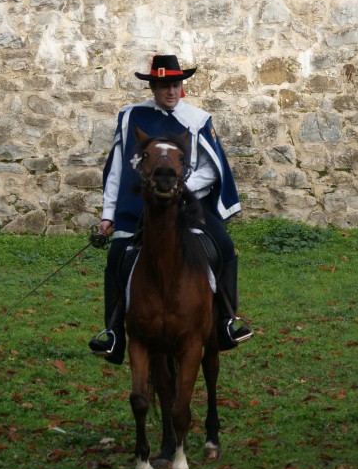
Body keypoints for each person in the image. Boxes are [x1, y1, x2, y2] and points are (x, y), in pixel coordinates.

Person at [89, 54, 253, 363]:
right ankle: (113, 333)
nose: (171, 92)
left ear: (182, 86)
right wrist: (108, 215)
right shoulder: (130, 117)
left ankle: (227, 322)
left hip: (189, 205)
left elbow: (212, 168)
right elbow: (117, 170)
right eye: (164, 86)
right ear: (153, 87)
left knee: (227, 248)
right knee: (115, 260)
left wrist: (182, 186)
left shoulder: (197, 119)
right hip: (139, 205)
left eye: (176, 85)